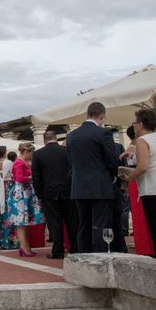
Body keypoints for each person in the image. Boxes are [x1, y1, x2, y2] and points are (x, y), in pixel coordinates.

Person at [66, 102, 119, 253]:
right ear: (101, 117)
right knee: (100, 224)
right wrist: (114, 176)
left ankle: (84, 255)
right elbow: (111, 159)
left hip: (79, 186)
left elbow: (71, 162)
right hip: (100, 186)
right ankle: (100, 256)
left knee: (83, 224)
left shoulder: (71, 136)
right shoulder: (103, 133)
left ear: (87, 114)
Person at [123, 109, 156, 260]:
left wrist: (129, 177)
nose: (135, 126)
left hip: (152, 189)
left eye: (135, 123)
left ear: (141, 124)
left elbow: (143, 166)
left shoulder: (142, 140)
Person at [32, 131, 78, 258]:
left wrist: (39, 194)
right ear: (56, 138)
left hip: (49, 192)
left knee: (54, 222)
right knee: (72, 221)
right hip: (68, 190)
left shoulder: (37, 154)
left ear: (44, 140)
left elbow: (36, 177)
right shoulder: (66, 151)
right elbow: (74, 169)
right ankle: (75, 247)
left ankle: (58, 250)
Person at [121, 126, 154, 255]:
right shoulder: (138, 145)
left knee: (139, 214)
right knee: (141, 214)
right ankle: (146, 245)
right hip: (138, 181)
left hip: (135, 182)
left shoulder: (134, 146)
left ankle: (144, 245)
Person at [8, 143, 44, 257]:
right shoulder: (19, 163)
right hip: (21, 194)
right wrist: (32, 177)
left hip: (25, 192)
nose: (32, 156)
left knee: (25, 221)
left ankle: (25, 246)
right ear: (26, 152)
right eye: (31, 153)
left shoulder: (24, 162)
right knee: (21, 222)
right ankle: (24, 247)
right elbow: (19, 178)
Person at [0, 146, 19, 250]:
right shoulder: (9, 163)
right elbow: (14, 175)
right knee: (10, 212)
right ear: (4, 153)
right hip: (9, 187)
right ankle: (10, 241)